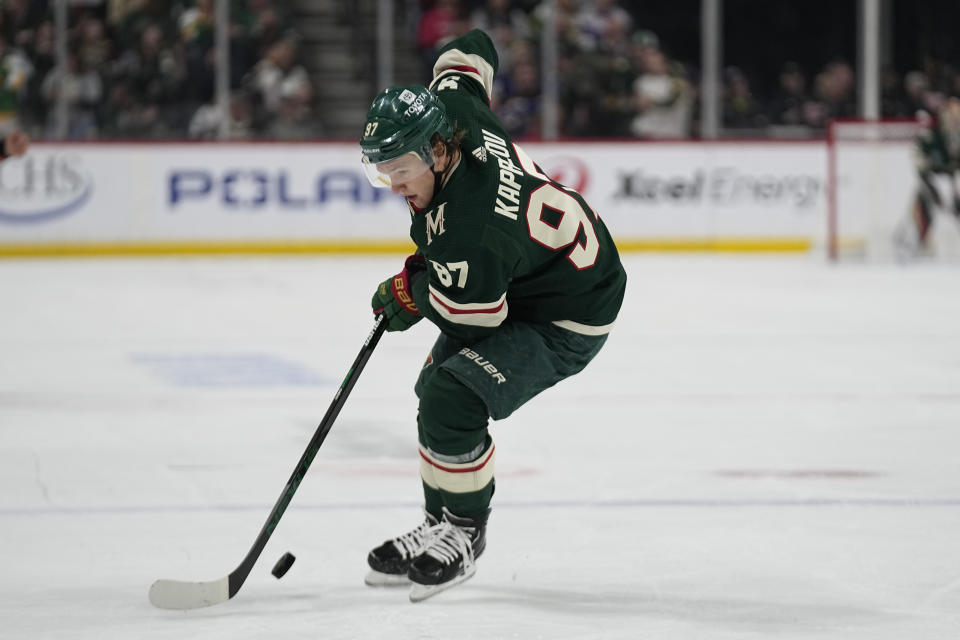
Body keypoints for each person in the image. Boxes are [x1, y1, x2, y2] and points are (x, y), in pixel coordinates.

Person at [358, 29, 627, 602]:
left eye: (401, 168)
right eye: (382, 170)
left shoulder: (470, 230)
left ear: (435, 150)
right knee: (435, 389)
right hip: (532, 275)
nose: (392, 184)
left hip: (569, 313)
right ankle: (439, 523)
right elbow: (471, 48)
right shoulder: (452, 110)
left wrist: (411, 294)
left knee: (452, 395)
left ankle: (464, 534)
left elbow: (475, 317)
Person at [896, 97, 960, 257]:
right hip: (932, 180)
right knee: (922, 212)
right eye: (950, 114)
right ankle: (910, 244)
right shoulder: (932, 136)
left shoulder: (955, 137)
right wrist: (928, 179)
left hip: (950, 182)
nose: (954, 119)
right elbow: (918, 157)